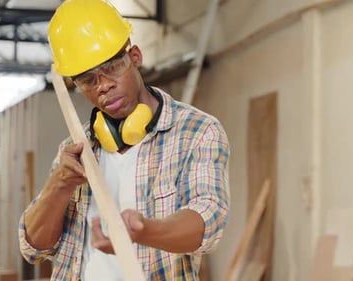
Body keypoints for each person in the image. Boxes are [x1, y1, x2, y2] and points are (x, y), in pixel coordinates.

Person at [18, 0, 230, 280]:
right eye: (88, 80)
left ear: (135, 56)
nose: (103, 85)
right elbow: (33, 249)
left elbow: (208, 224)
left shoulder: (197, 132)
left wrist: (144, 231)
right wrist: (59, 185)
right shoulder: (77, 149)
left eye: (112, 68)